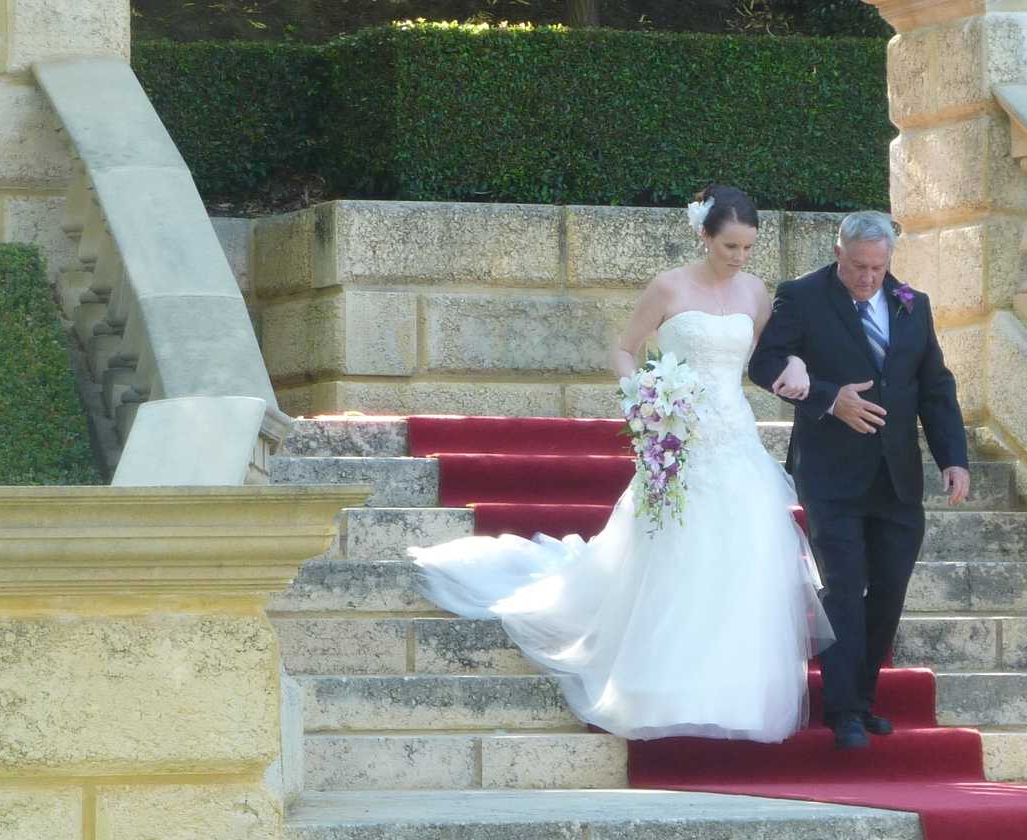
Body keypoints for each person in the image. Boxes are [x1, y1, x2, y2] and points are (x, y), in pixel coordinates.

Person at [407, 185, 832, 742]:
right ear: (704, 236)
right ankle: (657, 684)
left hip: (735, 437)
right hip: (678, 436)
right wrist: (645, 398)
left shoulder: (755, 292)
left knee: (744, 551)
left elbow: (768, 357)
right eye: (730, 246)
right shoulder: (668, 287)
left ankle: (732, 693)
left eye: (748, 248)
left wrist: (797, 361)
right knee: (677, 552)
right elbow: (625, 347)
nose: (740, 257)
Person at [749, 211, 971, 750]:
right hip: (829, 472)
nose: (868, 277)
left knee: (889, 589)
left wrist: (953, 458)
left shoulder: (913, 306)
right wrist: (828, 397)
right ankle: (843, 710)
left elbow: (934, 387)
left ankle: (863, 697)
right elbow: (765, 362)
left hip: (897, 475)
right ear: (838, 251)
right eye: (857, 266)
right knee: (844, 587)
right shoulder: (801, 296)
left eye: (878, 266)